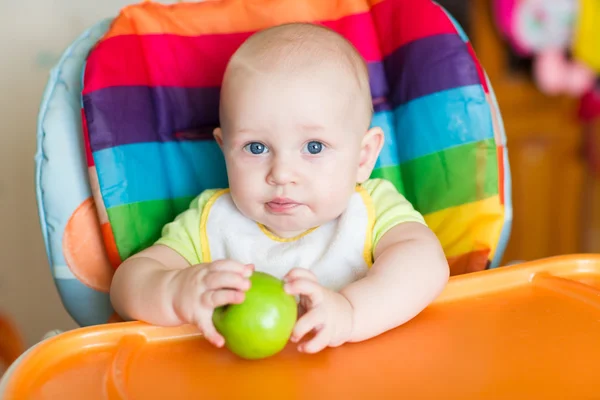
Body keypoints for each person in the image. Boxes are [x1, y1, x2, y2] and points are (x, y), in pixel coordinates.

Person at [110, 22, 449, 354]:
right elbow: (128, 284)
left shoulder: (374, 210)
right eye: (256, 147)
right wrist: (176, 291)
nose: (282, 174)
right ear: (224, 149)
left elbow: (426, 265)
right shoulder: (211, 221)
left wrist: (350, 312)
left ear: (363, 157)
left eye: (314, 147)